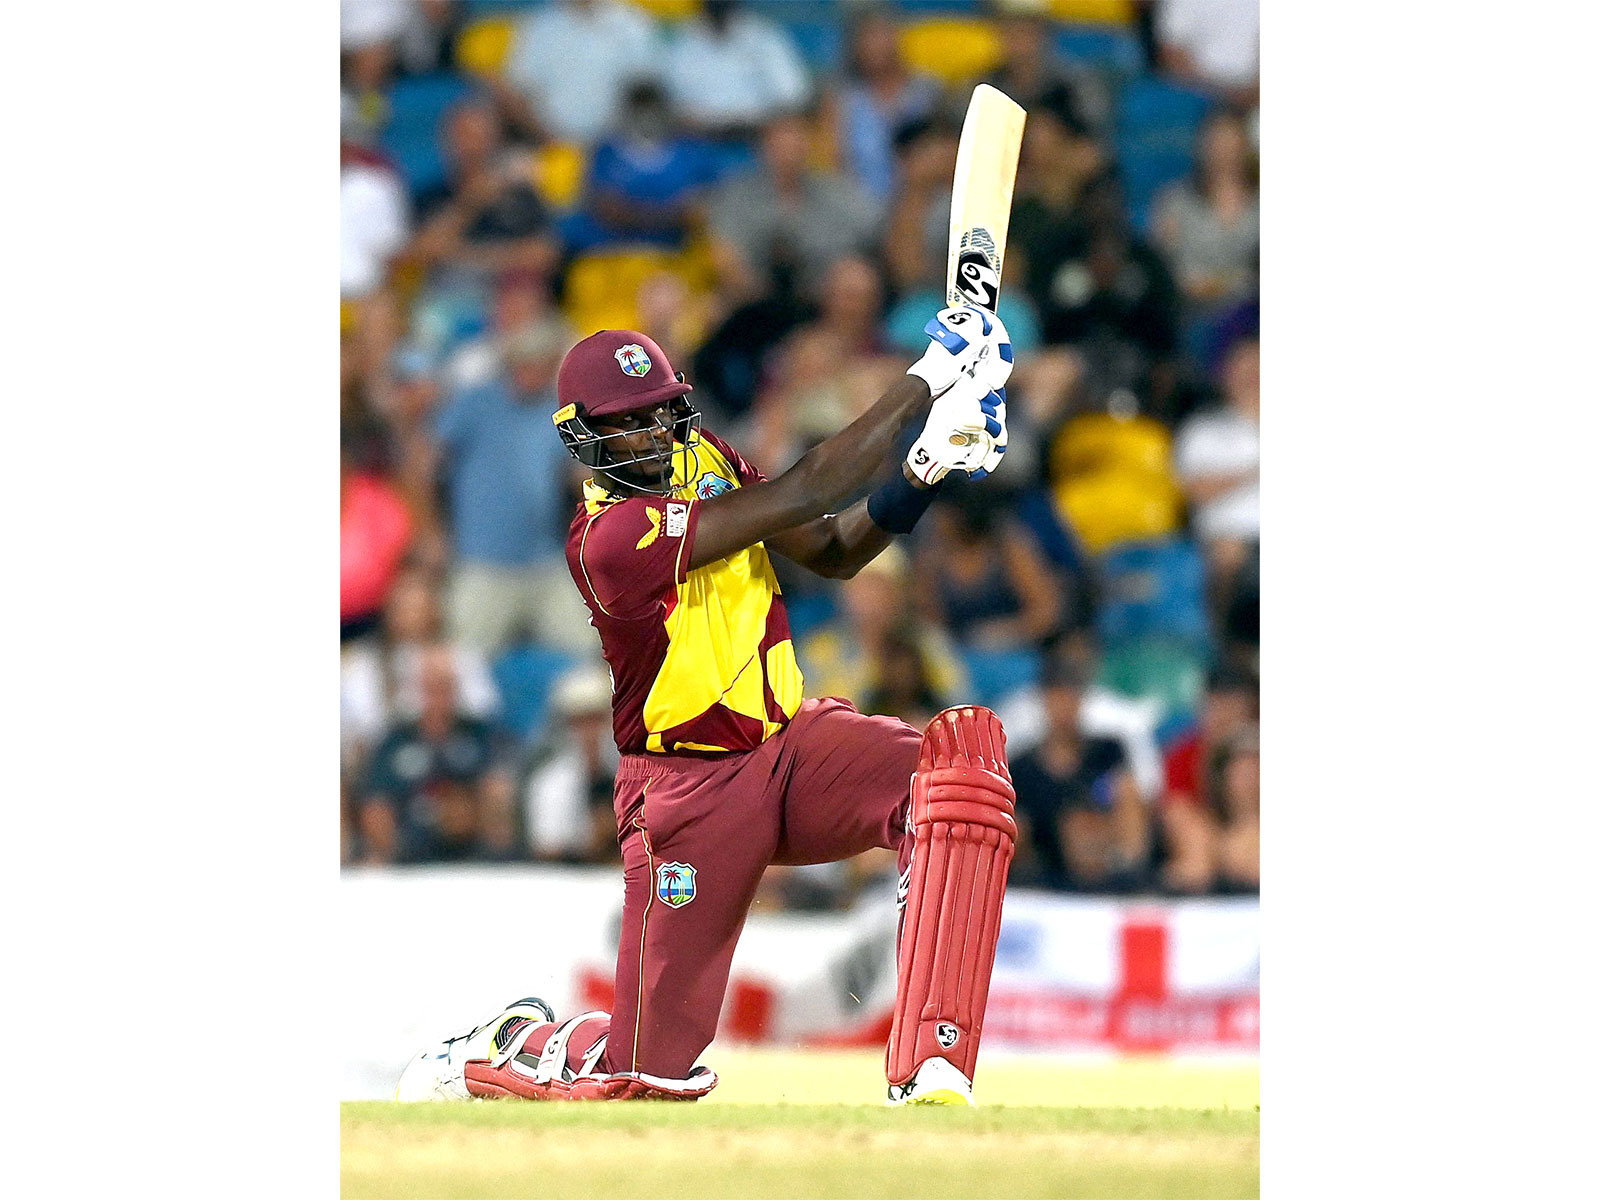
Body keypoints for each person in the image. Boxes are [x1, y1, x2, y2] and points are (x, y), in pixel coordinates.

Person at [398, 302, 1020, 1106]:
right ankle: (504, 1050)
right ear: (584, 438)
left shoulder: (705, 457)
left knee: (960, 767)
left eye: (661, 413)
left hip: (793, 748)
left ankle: (932, 1063)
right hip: (686, 798)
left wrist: (924, 470)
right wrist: (929, 380)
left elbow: (832, 550)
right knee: (643, 1081)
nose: (655, 436)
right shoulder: (609, 541)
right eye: (629, 424)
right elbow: (809, 490)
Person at [355, 644, 517, 865]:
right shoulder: (394, 742)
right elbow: (376, 799)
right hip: (409, 846)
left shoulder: (480, 735)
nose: (439, 697)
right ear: (418, 690)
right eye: (431, 688)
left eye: (445, 687)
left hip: (472, 842)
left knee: (497, 791)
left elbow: (497, 785)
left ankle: (498, 865)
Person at [1008, 658, 1148, 891]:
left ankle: (1131, 874)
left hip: (1109, 855)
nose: (1064, 706)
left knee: (1125, 791)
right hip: (1046, 868)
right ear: (1044, 701)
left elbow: (1130, 799)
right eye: (1057, 697)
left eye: (1071, 697)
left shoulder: (1108, 750)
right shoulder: (1022, 766)